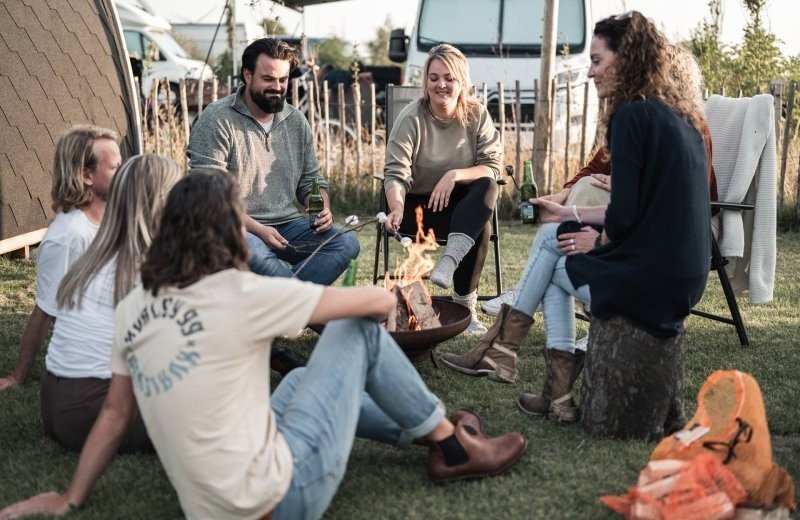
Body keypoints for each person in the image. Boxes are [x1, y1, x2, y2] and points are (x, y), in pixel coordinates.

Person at [0, 171, 527, 520]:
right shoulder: (240, 291)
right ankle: (453, 446)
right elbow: (369, 308)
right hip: (280, 500)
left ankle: (432, 433)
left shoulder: (135, 306)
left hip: (213, 507)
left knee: (299, 378)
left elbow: (114, 415)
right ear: (231, 229)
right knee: (354, 332)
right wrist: (385, 293)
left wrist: (71, 497)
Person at [441, 12, 711, 436]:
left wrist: (600, 237)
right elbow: (642, 208)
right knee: (553, 239)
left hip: (651, 279)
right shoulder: (681, 118)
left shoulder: (631, 117)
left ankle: (510, 355)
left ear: (629, 60)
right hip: (684, 276)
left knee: (550, 252)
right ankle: (549, 389)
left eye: (598, 60)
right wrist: (571, 214)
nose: (589, 71)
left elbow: (624, 218)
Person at [481, 43, 719, 318]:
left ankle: (547, 300)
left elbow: (684, 197)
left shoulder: (689, 130)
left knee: (560, 240)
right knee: (578, 195)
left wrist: (626, 188)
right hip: (640, 224)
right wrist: (564, 195)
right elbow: (595, 165)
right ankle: (542, 310)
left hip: (678, 236)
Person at [187, 37, 359, 285]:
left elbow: (311, 180)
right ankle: (305, 308)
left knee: (346, 242)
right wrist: (257, 229)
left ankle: (285, 307)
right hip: (236, 227)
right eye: (268, 79)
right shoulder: (217, 119)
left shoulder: (296, 121)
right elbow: (208, 198)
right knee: (251, 248)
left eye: (283, 79)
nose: (277, 87)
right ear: (247, 76)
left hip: (288, 226)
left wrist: (322, 207)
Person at [41, 154, 182, 452]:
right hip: (91, 410)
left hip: (54, 400)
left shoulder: (96, 253)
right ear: (160, 203)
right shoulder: (144, 268)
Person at [383, 44, 503, 334]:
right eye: (434, 77)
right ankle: (456, 301)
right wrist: (396, 207)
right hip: (416, 209)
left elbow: (493, 166)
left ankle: (461, 299)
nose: (441, 85)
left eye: (449, 78)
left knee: (486, 188)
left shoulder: (477, 115)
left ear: (461, 81)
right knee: (480, 224)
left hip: (459, 209)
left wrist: (454, 175)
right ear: (425, 81)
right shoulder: (411, 117)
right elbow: (395, 174)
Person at [0, 125, 121, 391]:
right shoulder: (67, 236)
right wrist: (17, 377)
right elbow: (44, 311)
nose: (123, 173)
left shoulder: (112, 216)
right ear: (87, 175)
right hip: (97, 353)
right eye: (114, 168)